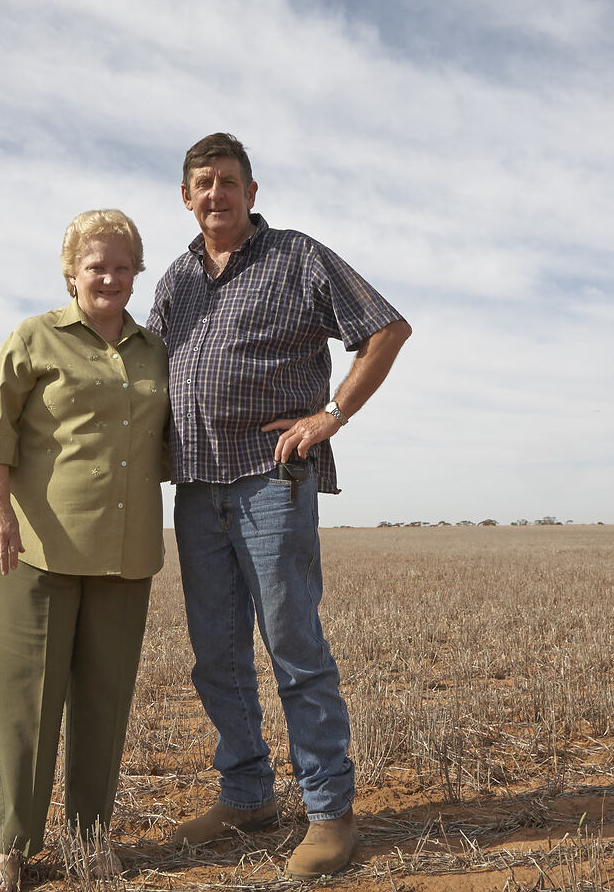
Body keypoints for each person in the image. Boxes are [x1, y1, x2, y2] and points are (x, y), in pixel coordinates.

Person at [147, 133, 411, 878]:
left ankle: (330, 813)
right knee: (216, 655)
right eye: (203, 183)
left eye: (229, 181)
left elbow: (386, 329)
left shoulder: (297, 257)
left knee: (293, 647)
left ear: (251, 192)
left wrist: (332, 414)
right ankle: (246, 796)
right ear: (186, 197)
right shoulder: (175, 279)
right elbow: (147, 369)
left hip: (271, 478)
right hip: (196, 486)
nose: (216, 194)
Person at [0, 209, 169, 892]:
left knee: (105, 705)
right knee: (29, 705)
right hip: (35, 548)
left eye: (122, 267)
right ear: (71, 273)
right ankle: (12, 847)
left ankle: (90, 838)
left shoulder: (155, 350)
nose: (109, 278)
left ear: (136, 274)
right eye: (96, 266)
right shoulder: (34, 337)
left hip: (126, 554)